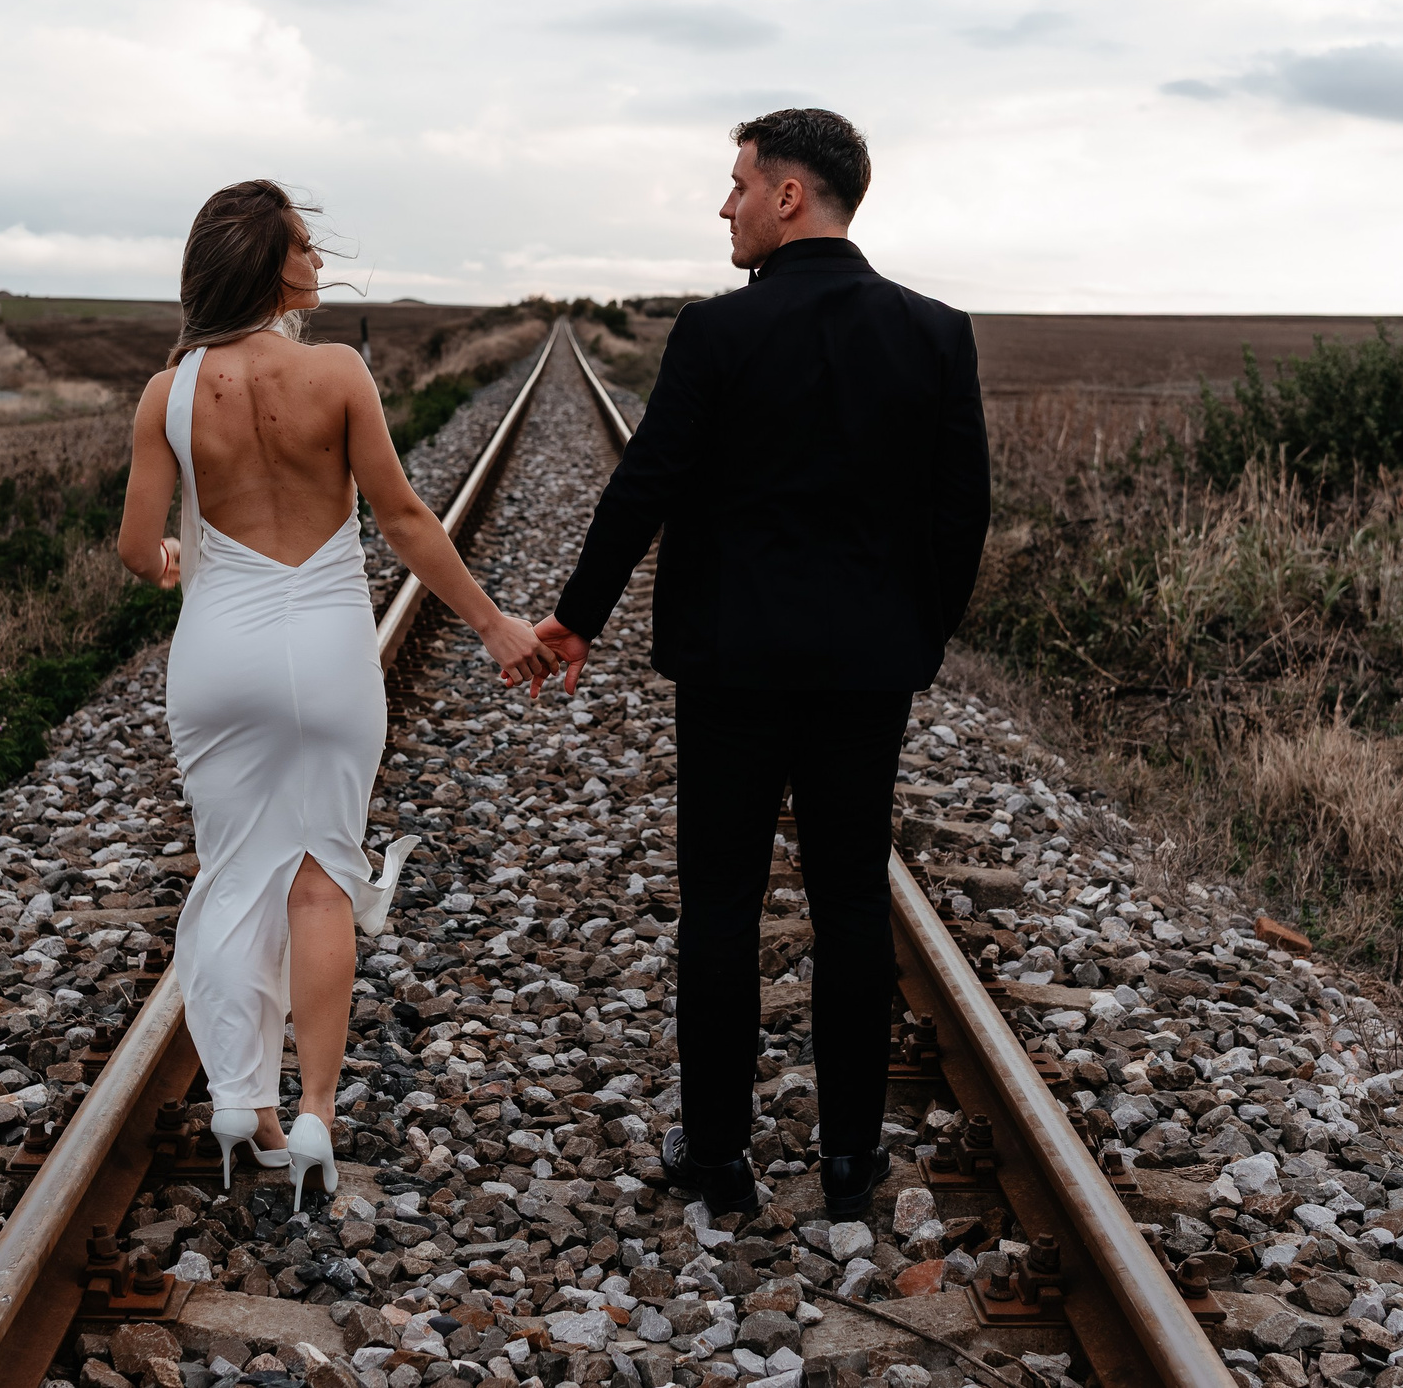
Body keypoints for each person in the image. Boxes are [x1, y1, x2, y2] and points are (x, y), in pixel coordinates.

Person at [535, 110, 990, 1220]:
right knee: (849, 904)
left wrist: (576, 619)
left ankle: (720, 1158)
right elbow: (961, 512)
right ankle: (846, 1162)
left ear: (790, 196)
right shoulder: (935, 333)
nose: (724, 205)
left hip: (731, 667)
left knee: (722, 906)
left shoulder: (717, 335)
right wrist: (916, 637)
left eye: (737, 183)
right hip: (865, 671)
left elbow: (643, 487)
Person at [117, 180, 555, 1211]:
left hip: (218, 651)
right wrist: (494, 626)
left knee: (232, 876)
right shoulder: (338, 372)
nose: (318, 260)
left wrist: (182, 559)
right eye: (305, 246)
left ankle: (242, 1106)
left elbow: (139, 549)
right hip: (322, 644)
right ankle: (312, 1111)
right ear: (273, 264)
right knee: (321, 877)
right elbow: (403, 520)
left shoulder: (166, 394)